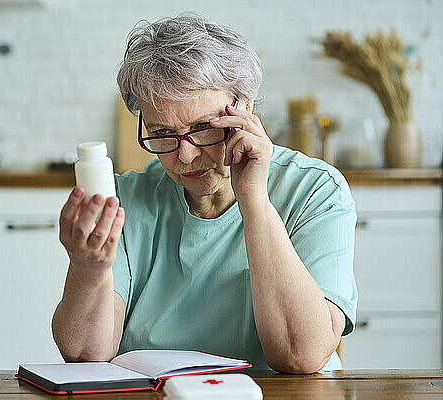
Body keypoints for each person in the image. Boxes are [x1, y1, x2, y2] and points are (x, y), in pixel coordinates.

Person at [52, 15, 357, 374]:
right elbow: (87, 354)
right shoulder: (127, 199)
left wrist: (254, 201)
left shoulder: (316, 191)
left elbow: (300, 355)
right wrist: (89, 270)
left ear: (244, 109)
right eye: (162, 132)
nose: (184, 155)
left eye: (202, 128)